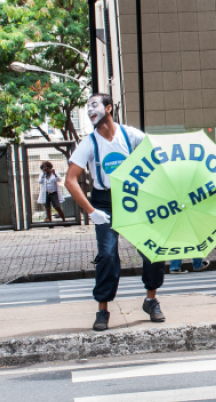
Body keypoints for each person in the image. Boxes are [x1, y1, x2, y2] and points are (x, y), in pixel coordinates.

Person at [64, 93, 167, 331]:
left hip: (134, 198)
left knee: (153, 249)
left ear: (109, 108)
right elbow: (70, 180)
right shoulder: (88, 143)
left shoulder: (130, 136)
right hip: (104, 201)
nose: (90, 110)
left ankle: (151, 300)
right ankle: (103, 310)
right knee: (108, 256)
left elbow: (158, 155)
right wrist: (91, 211)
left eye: (95, 105)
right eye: (87, 107)